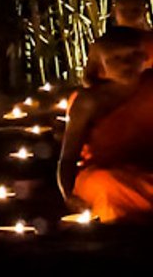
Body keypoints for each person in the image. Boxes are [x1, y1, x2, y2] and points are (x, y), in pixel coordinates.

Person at [61, 26, 153, 221]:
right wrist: (68, 195)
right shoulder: (88, 101)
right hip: (102, 174)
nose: (126, 64)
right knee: (108, 185)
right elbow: (68, 157)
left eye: (133, 56)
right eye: (115, 59)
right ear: (101, 64)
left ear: (145, 57)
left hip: (144, 171)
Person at [83, 0, 153, 85]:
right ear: (114, 10)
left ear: (145, 10)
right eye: (123, 10)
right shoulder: (102, 44)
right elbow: (89, 79)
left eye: (135, 10)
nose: (129, 14)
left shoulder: (150, 41)